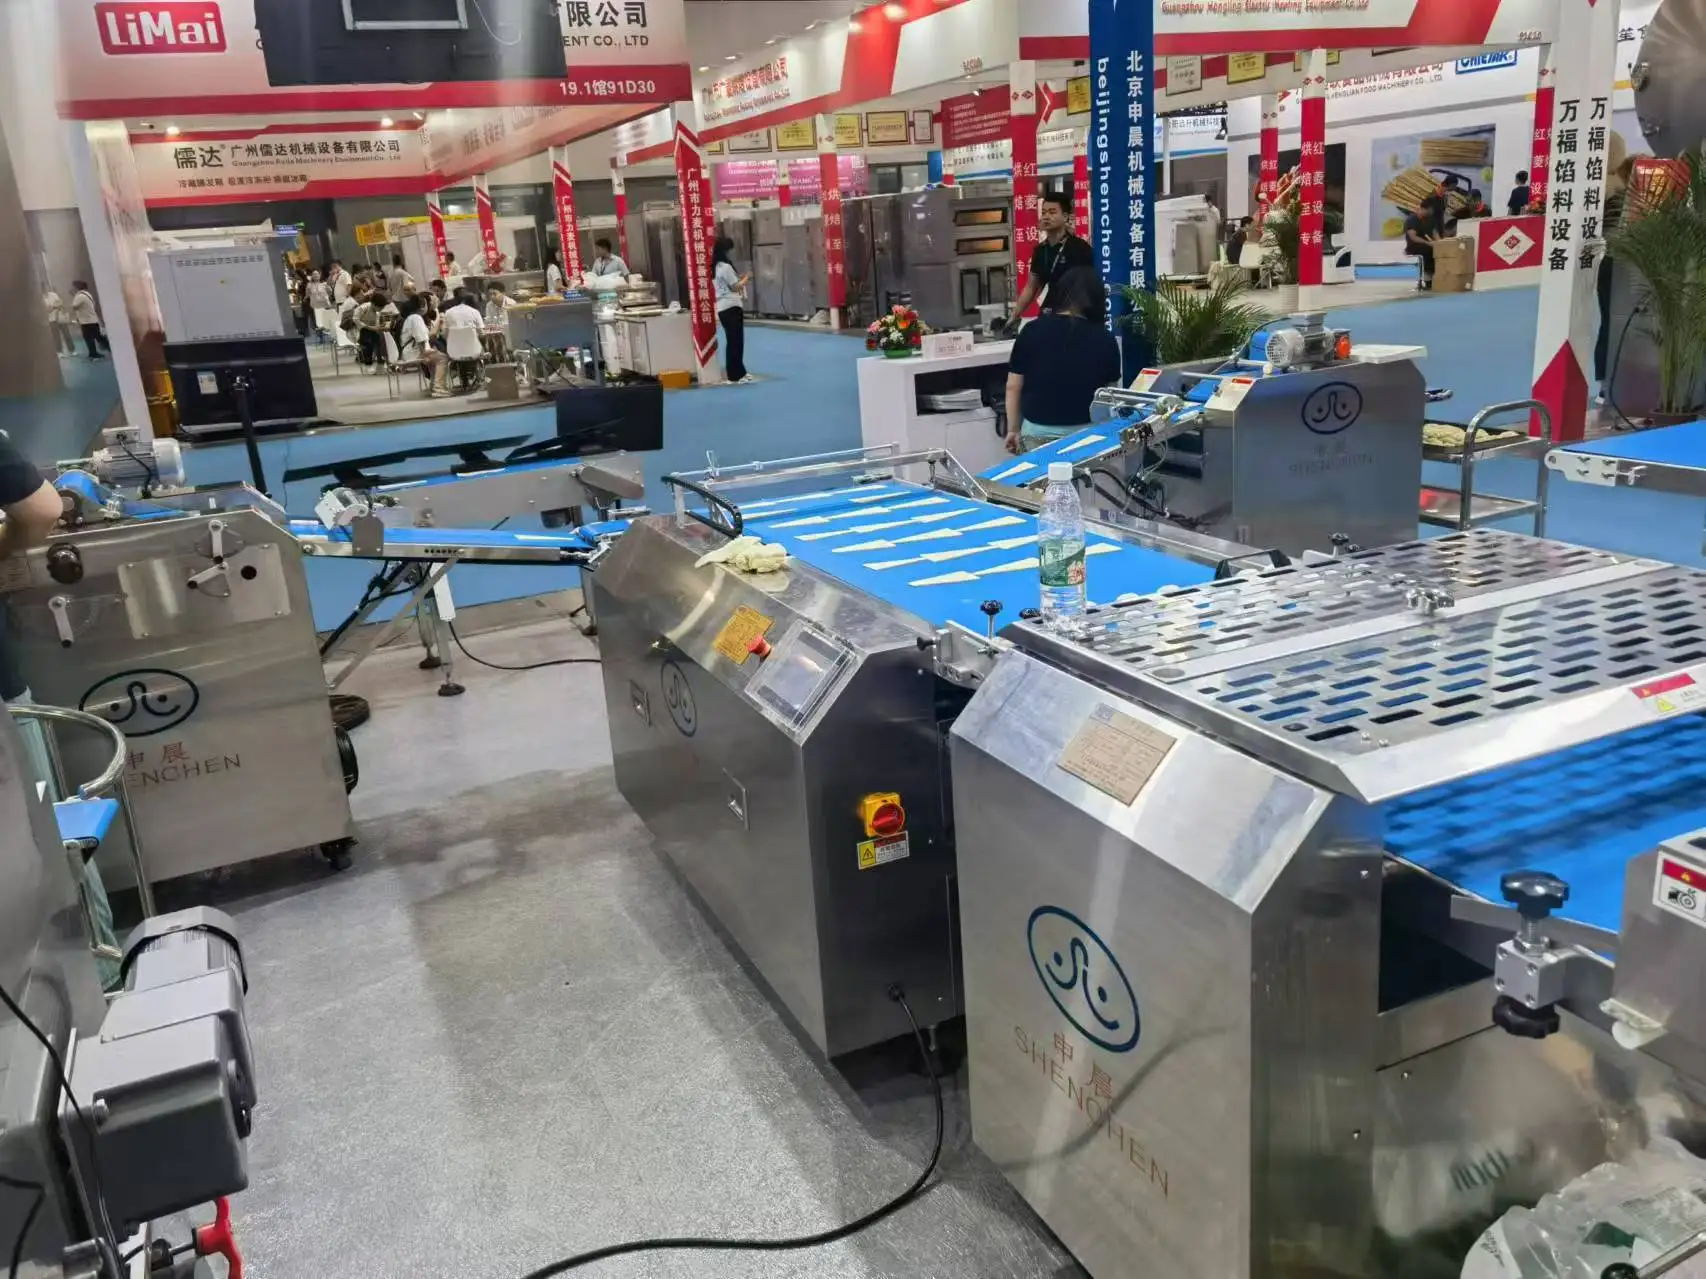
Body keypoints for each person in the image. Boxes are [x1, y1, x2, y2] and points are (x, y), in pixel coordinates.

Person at [1003, 267, 1121, 453]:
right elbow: (1109, 394)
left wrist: (1013, 429)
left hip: (1037, 432)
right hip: (1087, 434)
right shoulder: (1105, 338)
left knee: (1040, 473)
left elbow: (1013, 386)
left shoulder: (1031, 331)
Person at [1008, 192, 1093, 324]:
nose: (1046, 216)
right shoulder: (1040, 250)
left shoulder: (1080, 248)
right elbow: (1031, 287)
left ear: (1065, 217)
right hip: (1049, 313)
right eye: (1044, 212)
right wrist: (1014, 315)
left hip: (1074, 316)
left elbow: (1088, 287)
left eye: (1052, 212)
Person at [1595, 155, 1635, 410]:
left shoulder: (1613, 198)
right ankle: (1607, 383)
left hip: (1612, 264)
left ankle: (1605, 382)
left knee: (1610, 323)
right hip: (1620, 265)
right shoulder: (1624, 200)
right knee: (1615, 323)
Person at [712, 236, 752, 385]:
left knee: (732, 341)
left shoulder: (715, 267)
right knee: (737, 342)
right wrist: (746, 278)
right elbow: (735, 287)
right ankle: (736, 375)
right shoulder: (726, 267)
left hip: (722, 308)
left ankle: (737, 372)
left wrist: (738, 278)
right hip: (732, 306)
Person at [398, 297, 450, 397]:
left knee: (437, 356)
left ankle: (434, 386)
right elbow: (421, 339)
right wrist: (425, 355)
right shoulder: (416, 318)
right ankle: (438, 388)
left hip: (411, 350)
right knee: (442, 358)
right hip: (414, 351)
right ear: (421, 307)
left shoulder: (411, 318)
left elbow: (426, 336)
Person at [1403, 206, 1441, 289]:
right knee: (1429, 251)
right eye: (1426, 210)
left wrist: (1440, 243)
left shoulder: (1430, 219)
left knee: (1438, 250)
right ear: (1420, 209)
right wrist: (1428, 243)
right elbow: (1413, 237)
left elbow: (1434, 232)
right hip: (1414, 246)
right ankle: (1428, 279)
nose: (1428, 212)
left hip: (1428, 244)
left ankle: (1437, 277)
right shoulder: (1412, 220)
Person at [69, 281, 108, 359]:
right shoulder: (87, 294)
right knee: (97, 336)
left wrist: (74, 295)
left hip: (86, 321)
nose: (72, 289)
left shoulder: (79, 296)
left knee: (89, 338)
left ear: (76, 287)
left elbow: (74, 306)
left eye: (73, 287)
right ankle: (94, 352)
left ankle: (95, 353)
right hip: (92, 319)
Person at [353, 289, 388, 366]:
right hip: (360, 330)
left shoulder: (377, 311)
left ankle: (380, 357)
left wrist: (380, 326)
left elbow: (376, 324)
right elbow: (355, 319)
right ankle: (365, 357)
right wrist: (369, 327)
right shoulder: (363, 308)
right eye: (380, 308)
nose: (381, 309)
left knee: (379, 339)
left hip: (372, 329)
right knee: (368, 340)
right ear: (373, 304)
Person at [483, 283, 514, 361]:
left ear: (503, 293)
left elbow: (512, 325)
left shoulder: (511, 304)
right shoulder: (489, 305)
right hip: (497, 335)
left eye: (494, 294)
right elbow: (489, 323)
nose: (492, 297)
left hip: (510, 335)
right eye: (490, 294)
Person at [41, 287, 75, 357]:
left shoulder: (53, 295)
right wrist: (53, 306)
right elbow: (45, 309)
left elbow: (60, 303)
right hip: (51, 319)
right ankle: (59, 352)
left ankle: (72, 350)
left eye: (45, 288)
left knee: (66, 334)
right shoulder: (40, 298)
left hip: (60, 317)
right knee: (56, 337)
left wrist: (53, 307)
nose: (45, 290)